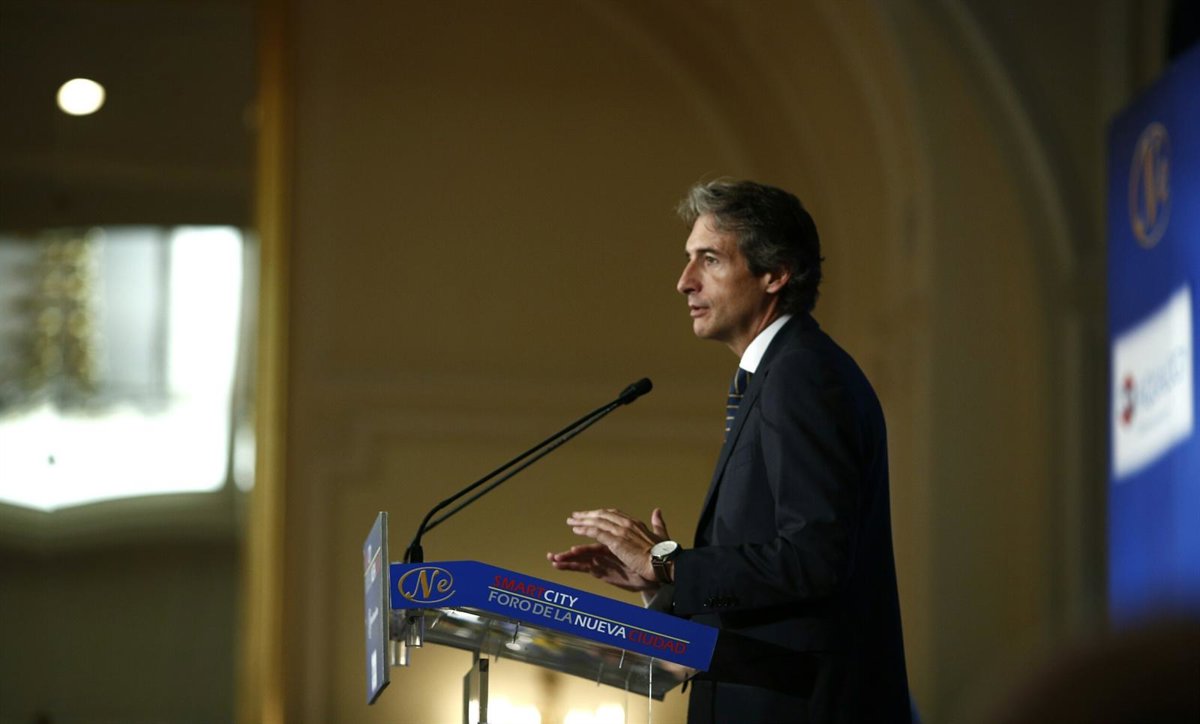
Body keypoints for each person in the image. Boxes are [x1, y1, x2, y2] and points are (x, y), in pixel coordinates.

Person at [548, 179, 911, 723]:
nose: (684, 282)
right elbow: (774, 582)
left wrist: (667, 561)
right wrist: (662, 582)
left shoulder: (802, 375)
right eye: (688, 258)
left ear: (775, 273)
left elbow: (815, 559)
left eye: (710, 259)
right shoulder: (777, 374)